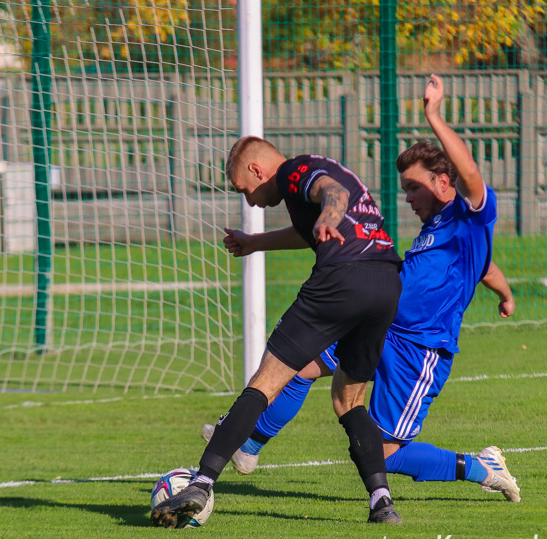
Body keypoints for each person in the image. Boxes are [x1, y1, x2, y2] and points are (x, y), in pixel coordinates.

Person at [202, 74, 519, 502]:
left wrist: (433, 115)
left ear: (445, 182)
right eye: (405, 187)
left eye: (414, 187)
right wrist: (506, 294)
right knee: (299, 364)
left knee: (386, 452)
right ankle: (250, 445)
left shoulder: (474, 213)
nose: (407, 196)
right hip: (381, 320)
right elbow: (485, 266)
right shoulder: (440, 230)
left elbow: (471, 172)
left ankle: (481, 467)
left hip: (418, 348)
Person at [151, 123, 404, 526]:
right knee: (349, 399)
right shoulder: (309, 176)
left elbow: (332, 195)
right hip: (387, 282)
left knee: (265, 383)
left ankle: (200, 483)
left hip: (342, 278)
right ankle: (381, 502)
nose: (249, 202)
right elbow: (308, 229)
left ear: (256, 170)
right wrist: (255, 243)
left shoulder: (294, 171)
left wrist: (330, 217)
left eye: (243, 190)